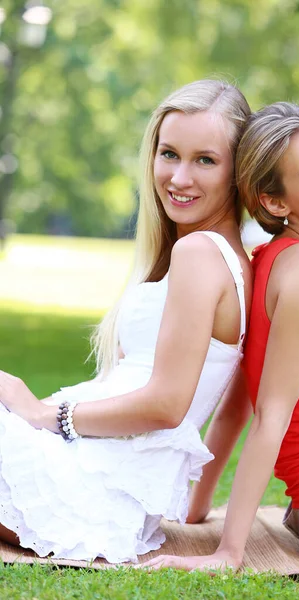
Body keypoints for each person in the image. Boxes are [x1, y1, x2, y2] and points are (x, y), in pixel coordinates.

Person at [0, 79, 253, 563]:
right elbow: (230, 403)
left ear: (237, 173)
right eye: (169, 153)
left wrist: (44, 416)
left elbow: (167, 405)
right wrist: (196, 508)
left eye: (205, 160)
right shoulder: (220, 256)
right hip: (92, 475)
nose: (178, 177)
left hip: (88, 485)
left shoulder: (201, 253)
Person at [141, 102, 299, 572]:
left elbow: (241, 401)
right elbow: (270, 416)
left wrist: (199, 507)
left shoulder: (270, 258)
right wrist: (228, 554)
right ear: (275, 202)